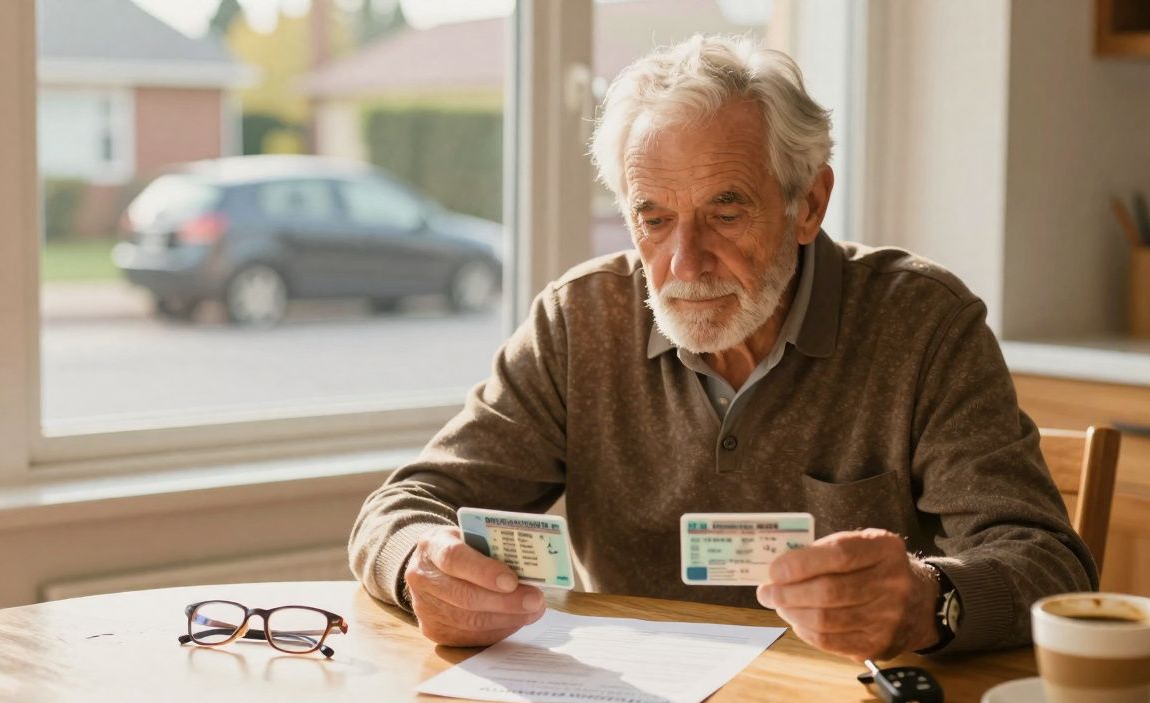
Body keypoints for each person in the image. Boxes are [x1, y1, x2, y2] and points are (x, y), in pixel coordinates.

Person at [349, 35, 1095, 661]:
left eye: (726, 211)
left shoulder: (924, 325)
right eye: (654, 218)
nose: (685, 263)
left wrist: (930, 602)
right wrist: (421, 566)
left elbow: (1052, 567)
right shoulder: (579, 322)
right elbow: (400, 507)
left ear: (808, 203)